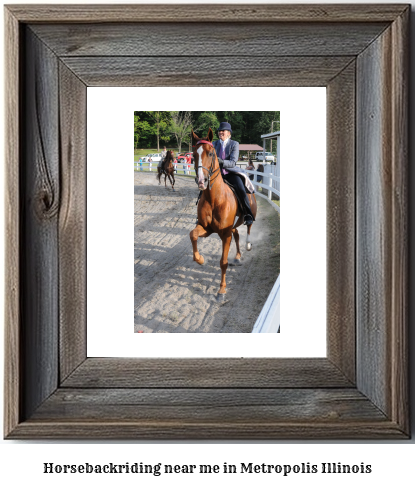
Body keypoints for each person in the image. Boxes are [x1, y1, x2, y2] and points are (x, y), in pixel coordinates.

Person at [213, 122, 255, 225]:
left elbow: (233, 162)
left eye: (223, 131)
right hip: (217, 174)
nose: (221, 133)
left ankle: (247, 214)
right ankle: (200, 215)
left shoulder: (234, 144)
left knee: (241, 188)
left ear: (228, 133)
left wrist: (221, 162)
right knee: (204, 189)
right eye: (220, 131)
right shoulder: (214, 144)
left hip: (230, 173)